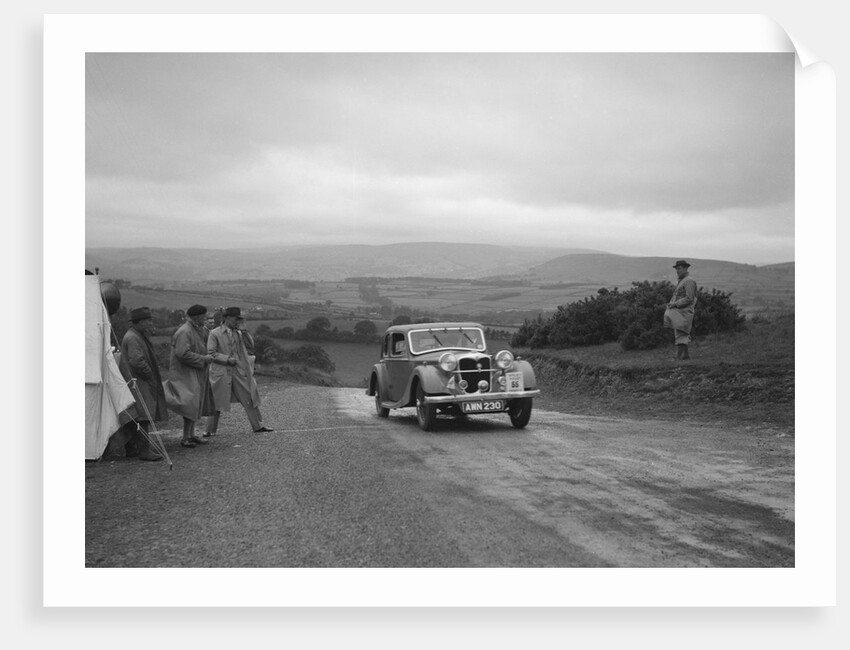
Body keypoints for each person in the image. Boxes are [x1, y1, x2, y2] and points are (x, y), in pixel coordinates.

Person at [204, 306, 274, 435]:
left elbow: (250, 345)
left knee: (248, 396)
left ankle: (257, 426)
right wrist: (226, 359)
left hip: (238, 371)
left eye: (238, 319)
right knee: (217, 401)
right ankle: (209, 431)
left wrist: (245, 331)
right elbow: (211, 353)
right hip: (221, 372)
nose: (237, 321)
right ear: (227, 318)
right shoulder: (214, 333)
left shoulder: (239, 333)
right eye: (236, 319)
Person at [117, 307, 168, 461]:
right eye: (147, 321)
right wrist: (149, 375)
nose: (150, 324)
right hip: (138, 382)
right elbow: (137, 361)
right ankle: (144, 451)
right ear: (139, 323)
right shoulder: (133, 337)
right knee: (143, 416)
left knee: (138, 415)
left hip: (136, 381)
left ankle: (132, 448)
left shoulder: (136, 335)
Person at [164, 305, 216, 448]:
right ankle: (186, 437)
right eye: (204, 317)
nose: (205, 320)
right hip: (185, 373)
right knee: (189, 404)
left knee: (195, 403)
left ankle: (191, 435)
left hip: (195, 372)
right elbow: (182, 354)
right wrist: (203, 359)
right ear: (197, 317)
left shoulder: (198, 329)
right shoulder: (185, 331)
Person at [664, 260, 698, 360]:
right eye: (676, 269)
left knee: (681, 333)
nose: (677, 271)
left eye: (679, 269)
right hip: (680, 312)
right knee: (681, 332)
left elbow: (689, 298)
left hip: (685, 312)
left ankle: (678, 357)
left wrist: (674, 304)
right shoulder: (683, 281)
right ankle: (685, 356)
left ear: (685, 268)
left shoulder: (689, 281)